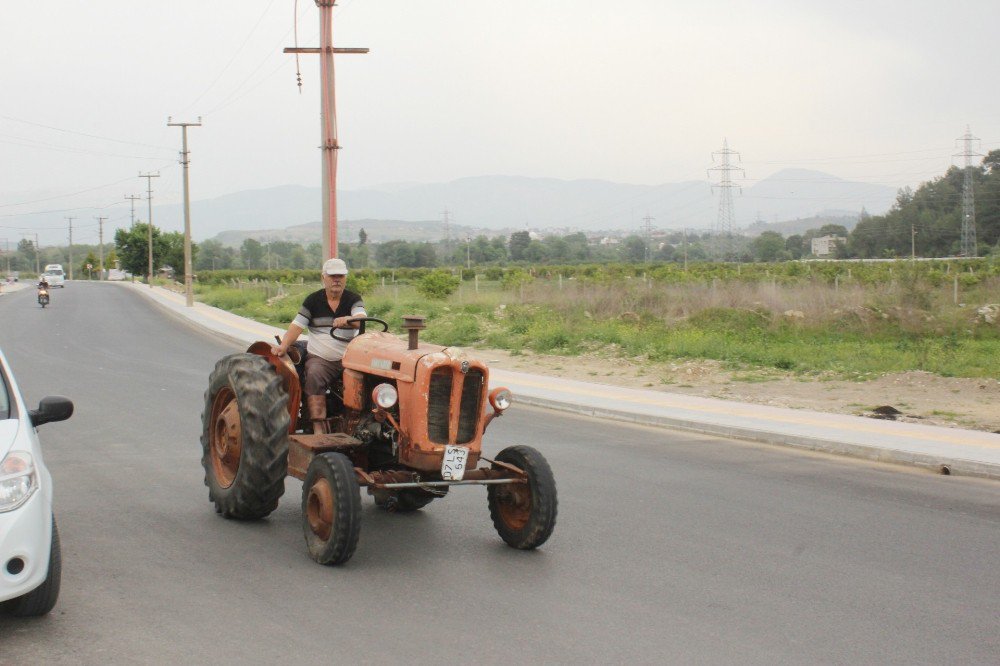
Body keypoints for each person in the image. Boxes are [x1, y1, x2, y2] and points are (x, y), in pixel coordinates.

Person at [271, 258, 366, 434]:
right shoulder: (313, 301)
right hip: (322, 359)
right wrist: (284, 345)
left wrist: (348, 320)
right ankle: (317, 424)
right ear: (324, 278)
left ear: (345, 278)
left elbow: (361, 319)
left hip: (350, 359)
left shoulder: (353, 299)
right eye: (332, 276)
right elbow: (297, 326)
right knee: (314, 373)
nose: (336, 280)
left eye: (340, 276)